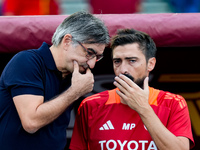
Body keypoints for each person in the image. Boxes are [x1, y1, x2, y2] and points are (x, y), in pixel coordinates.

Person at [69, 29, 195, 150]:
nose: (123, 69)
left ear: (150, 64)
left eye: (132, 61)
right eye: (117, 61)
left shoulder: (173, 103)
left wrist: (143, 109)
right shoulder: (91, 105)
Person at [0, 11, 109, 150]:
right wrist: (75, 92)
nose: (92, 64)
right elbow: (31, 122)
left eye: (97, 57)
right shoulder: (26, 61)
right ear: (67, 41)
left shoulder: (73, 74)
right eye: (89, 53)